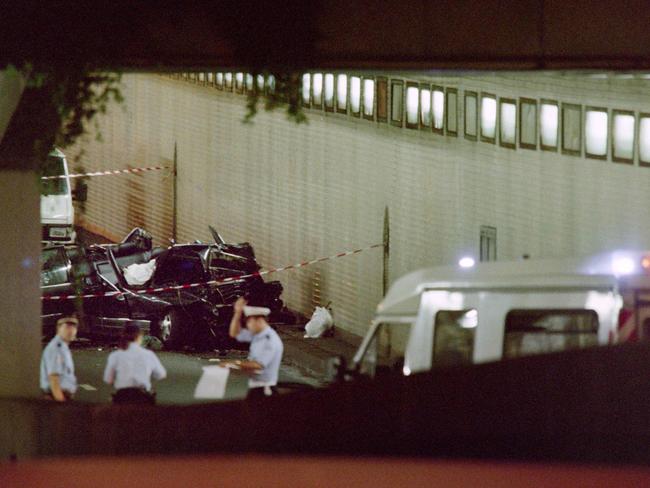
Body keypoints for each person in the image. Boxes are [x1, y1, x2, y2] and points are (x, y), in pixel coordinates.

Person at [228, 297, 284, 399]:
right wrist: (237, 313)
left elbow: (258, 365)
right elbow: (234, 333)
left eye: (249, 322)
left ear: (259, 320)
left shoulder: (269, 340)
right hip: (256, 387)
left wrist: (235, 364)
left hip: (265, 390)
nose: (248, 325)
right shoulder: (258, 335)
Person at [103, 323, 167, 404]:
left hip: (122, 395)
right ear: (139, 337)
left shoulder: (115, 355)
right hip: (142, 394)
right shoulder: (148, 355)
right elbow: (161, 374)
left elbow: (108, 379)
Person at [40, 316, 79, 402]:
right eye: (67, 327)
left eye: (74, 327)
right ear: (58, 328)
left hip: (61, 396)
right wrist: (61, 404)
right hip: (57, 396)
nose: (71, 331)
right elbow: (54, 379)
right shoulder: (56, 348)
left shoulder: (63, 348)